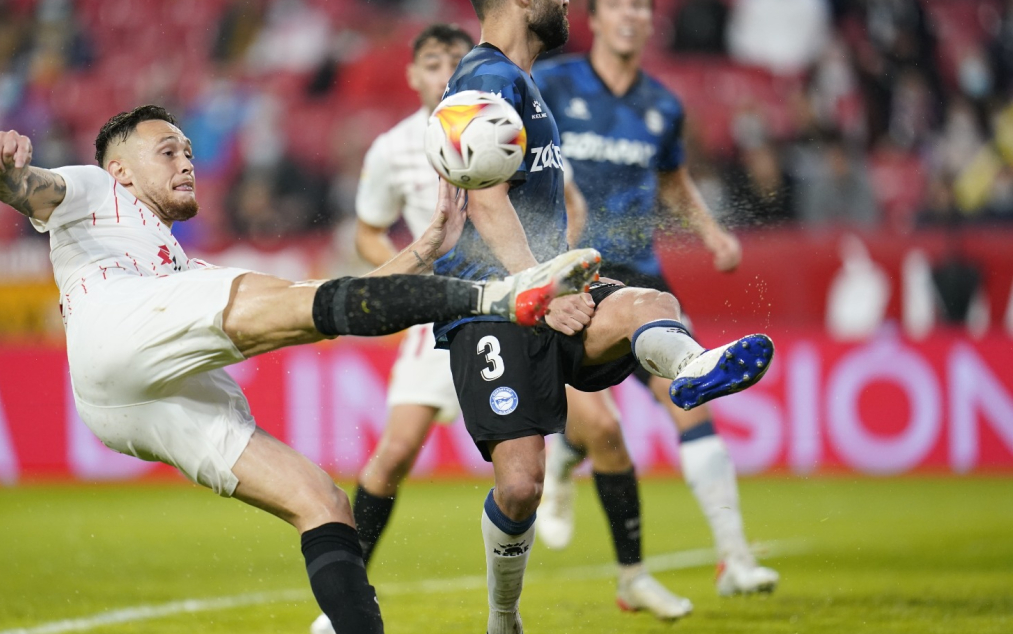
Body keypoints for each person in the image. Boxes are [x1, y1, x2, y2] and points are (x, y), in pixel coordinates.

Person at [0, 105, 600, 634]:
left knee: (324, 502)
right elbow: (28, 188)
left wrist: (425, 247)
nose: (187, 162)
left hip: (124, 402)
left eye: (189, 151)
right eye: (167, 151)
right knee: (288, 300)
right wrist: (9, 171)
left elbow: (339, 295)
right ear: (120, 170)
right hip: (114, 329)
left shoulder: (175, 264)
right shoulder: (96, 189)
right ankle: (500, 298)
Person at [439, 1, 774, 632]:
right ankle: (502, 617)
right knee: (519, 487)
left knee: (650, 303)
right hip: (493, 305)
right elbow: (484, 204)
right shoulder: (487, 77)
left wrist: (557, 273)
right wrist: (539, 286)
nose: (565, 2)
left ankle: (692, 369)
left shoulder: (527, 83)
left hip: (552, 289)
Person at [532, 0, 780, 609]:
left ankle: (736, 558)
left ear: (650, 21)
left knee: (691, 402)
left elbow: (672, 178)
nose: (631, 14)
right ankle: (565, 458)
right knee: (598, 422)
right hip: (572, 281)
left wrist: (712, 230)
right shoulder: (554, 84)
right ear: (597, 16)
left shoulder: (663, 105)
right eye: (618, 4)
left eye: (641, 5)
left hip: (641, 280)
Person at [309, 23, 475, 634]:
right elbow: (366, 228)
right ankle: (346, 602)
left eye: (457, 60)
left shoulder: (502, 124)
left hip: (504, 307)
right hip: (436, 310)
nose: (445, 71)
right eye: (433, 62)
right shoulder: (393, 147)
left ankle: (566, 485)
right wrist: (402, 268)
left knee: (584, 428)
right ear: (413, 75)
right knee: (393, 455)